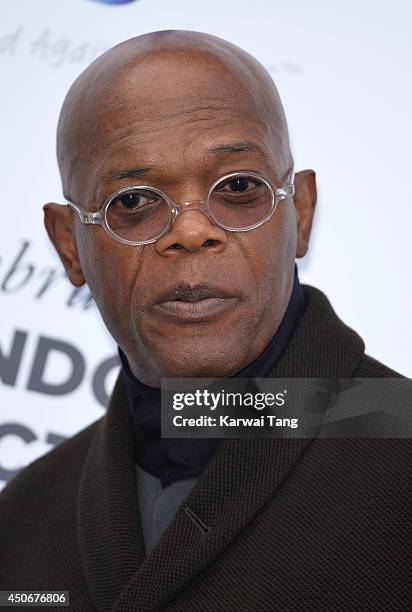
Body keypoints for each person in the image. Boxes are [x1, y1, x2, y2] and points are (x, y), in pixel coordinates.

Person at [0, 30, 409, 612]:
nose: (191, 231)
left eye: (239, 188)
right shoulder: (23, 518)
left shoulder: (402, 441)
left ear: (301, 211)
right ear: (69, 245)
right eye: (134, 202)